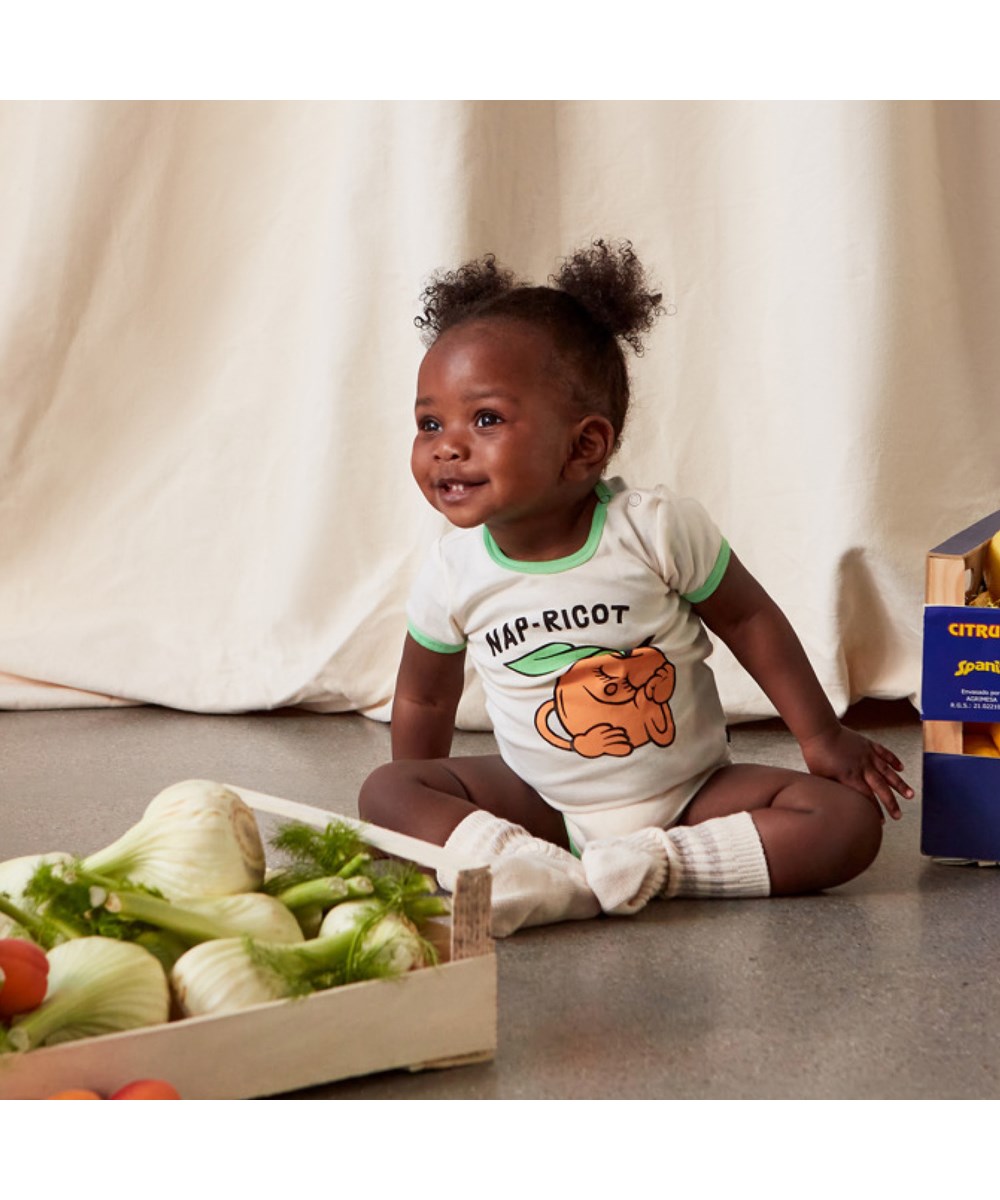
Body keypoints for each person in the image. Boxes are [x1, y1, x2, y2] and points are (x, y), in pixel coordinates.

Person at [359, 239, 913, 937]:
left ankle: (659, 863)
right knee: (385, 792)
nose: (447, 444)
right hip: (543, 805)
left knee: (846, 824)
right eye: (430, 423)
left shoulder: (653, 528)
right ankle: (520, 860)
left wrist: (822, 734)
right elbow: (424, 694)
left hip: (690, 794)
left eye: (486, 419)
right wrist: (440, 825)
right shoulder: (452, 570)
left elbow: (750, 622)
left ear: (585, 446)